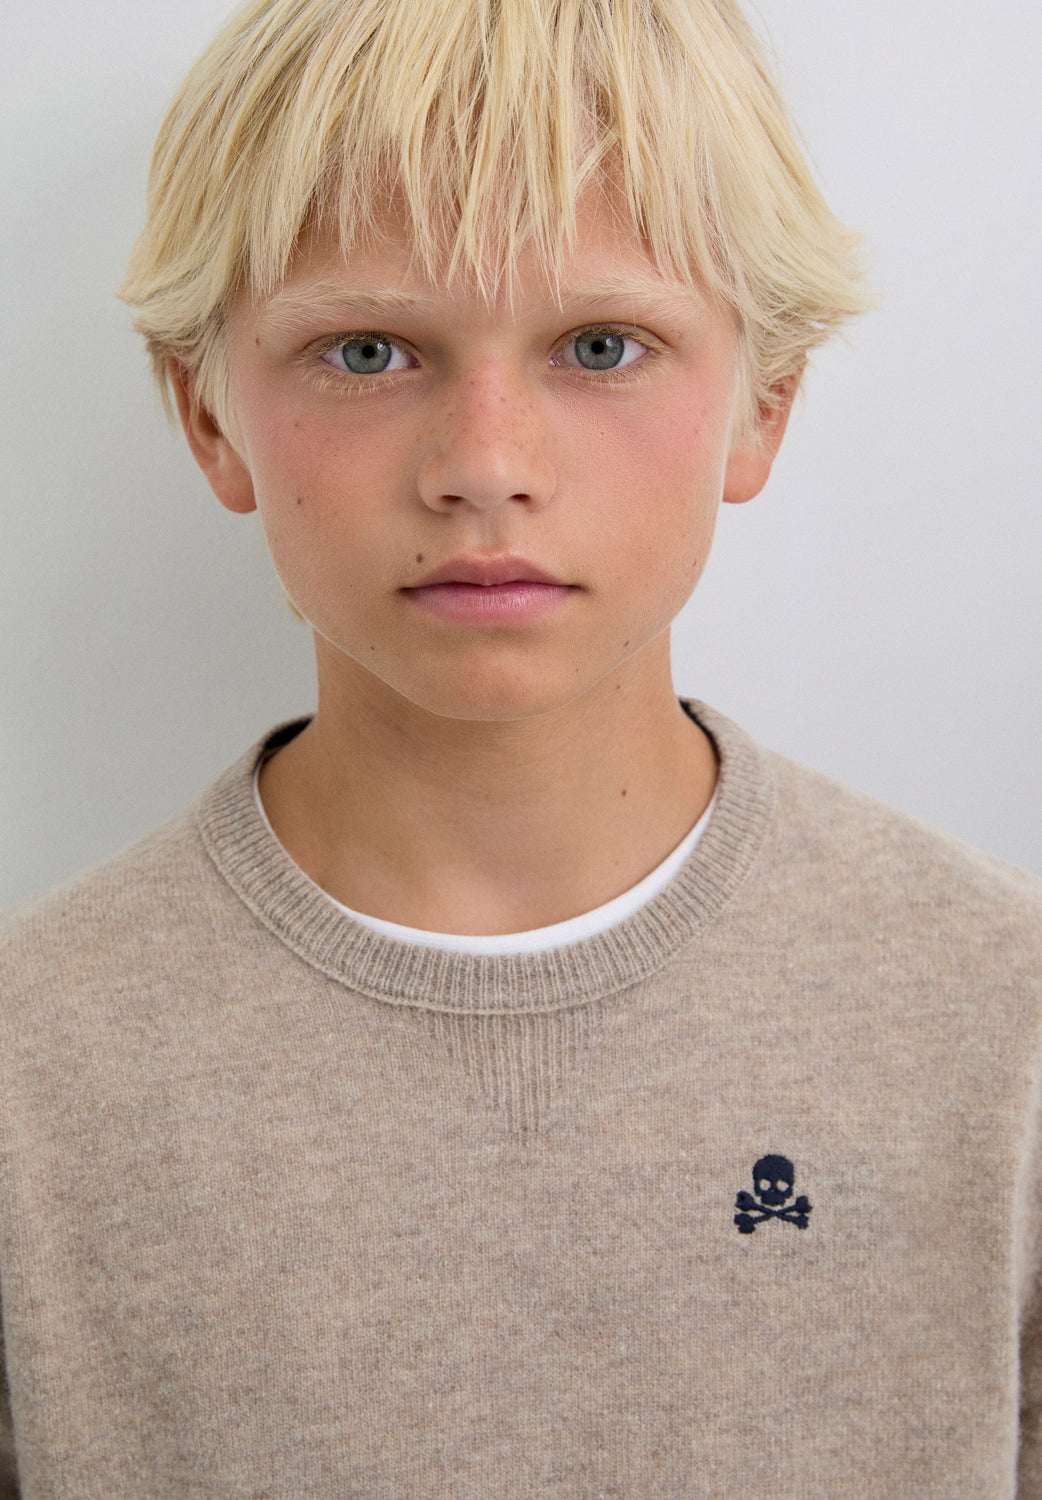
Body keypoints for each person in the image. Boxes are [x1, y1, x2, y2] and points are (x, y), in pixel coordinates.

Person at [0, 0, 1039, 1493]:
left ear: (763, 404)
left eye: (600, 346)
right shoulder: (31, 1073)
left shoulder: (1003, 1024)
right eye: (366, 350)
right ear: (207, 415)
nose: (485, 465)